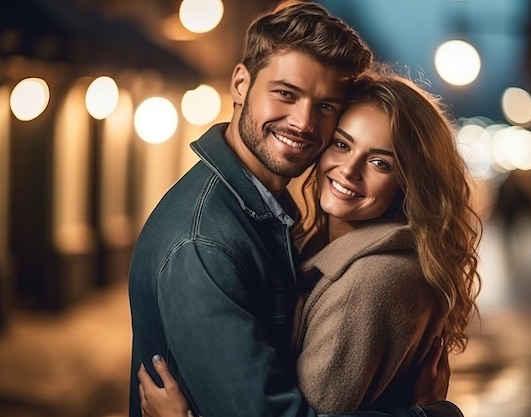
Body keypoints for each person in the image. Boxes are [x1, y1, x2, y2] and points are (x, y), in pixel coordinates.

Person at [136, 65, 481, 416]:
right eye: (342, 144)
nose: (349, 169)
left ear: (409, 182)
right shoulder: (320, 247)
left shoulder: (370, 282)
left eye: (379, 162)